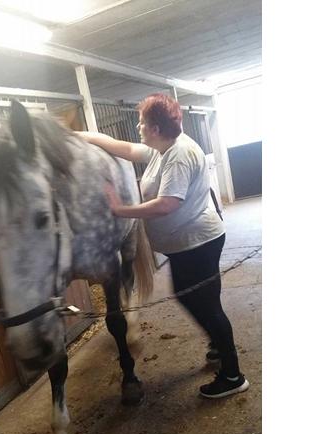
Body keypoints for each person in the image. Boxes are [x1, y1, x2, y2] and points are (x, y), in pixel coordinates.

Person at [77, 93, 249, 398]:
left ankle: (233, 376)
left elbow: (166, 204)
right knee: (195, 299)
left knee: (205, 305)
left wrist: (120, 210)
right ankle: (218, 346)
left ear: (155, 128)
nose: (138, 127)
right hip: (187, 244)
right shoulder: (164, 147)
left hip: (198, 244)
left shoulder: (179, 155)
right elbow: (126, 149)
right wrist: (80, 136)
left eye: (142, 123)